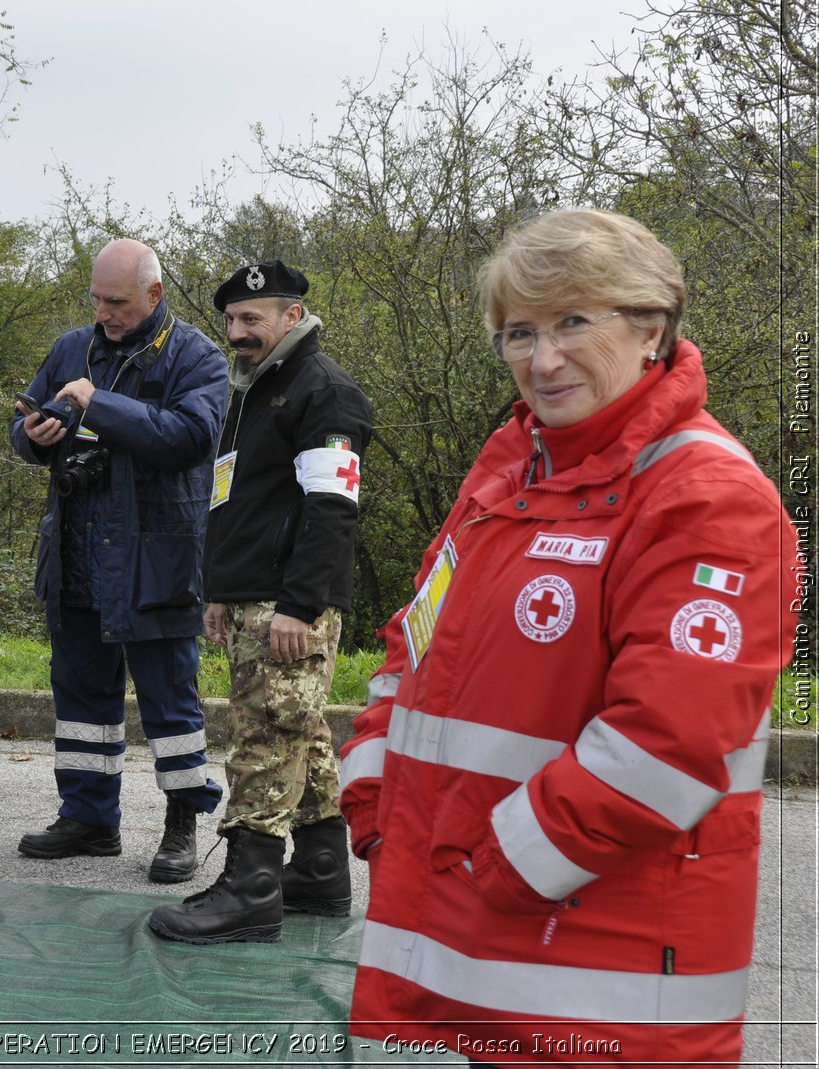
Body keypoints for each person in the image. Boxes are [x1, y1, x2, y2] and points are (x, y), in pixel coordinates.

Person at [339, 208, 800, 1064]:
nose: (541, 359)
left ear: (652, 326)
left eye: (573, 323)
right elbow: (415, 646)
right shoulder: (512, 468)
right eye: (519, 331)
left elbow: (665, 745)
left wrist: (495, 871)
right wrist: (374, 806)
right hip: (493, 947)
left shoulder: (708, 496)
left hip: (603, 981)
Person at [148, 260, 371, 944]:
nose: (239, 333)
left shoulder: (323, 392)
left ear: (291, 318)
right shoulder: (252, 391)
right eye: (233, 322)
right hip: (250, 595)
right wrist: (220, 589)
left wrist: (300, 607)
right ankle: (321, 870)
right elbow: (234, 499)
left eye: (254, 320)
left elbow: (332, 509)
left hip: (289, 604)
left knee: (265, 738)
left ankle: (249, 889)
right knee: (298, 732)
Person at [10, 238, 227, 881]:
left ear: (155, 295)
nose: (103, 312)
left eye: (117, 301)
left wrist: (96, 405)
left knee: (169, 699)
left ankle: (182, 824)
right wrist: (33, 437)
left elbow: (191, 438)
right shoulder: (70, 347)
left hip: (154, 559)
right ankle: (89, 819)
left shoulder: (197, 356)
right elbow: (21, 421)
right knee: (79, 693)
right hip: (76, 552)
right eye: (97, 299)